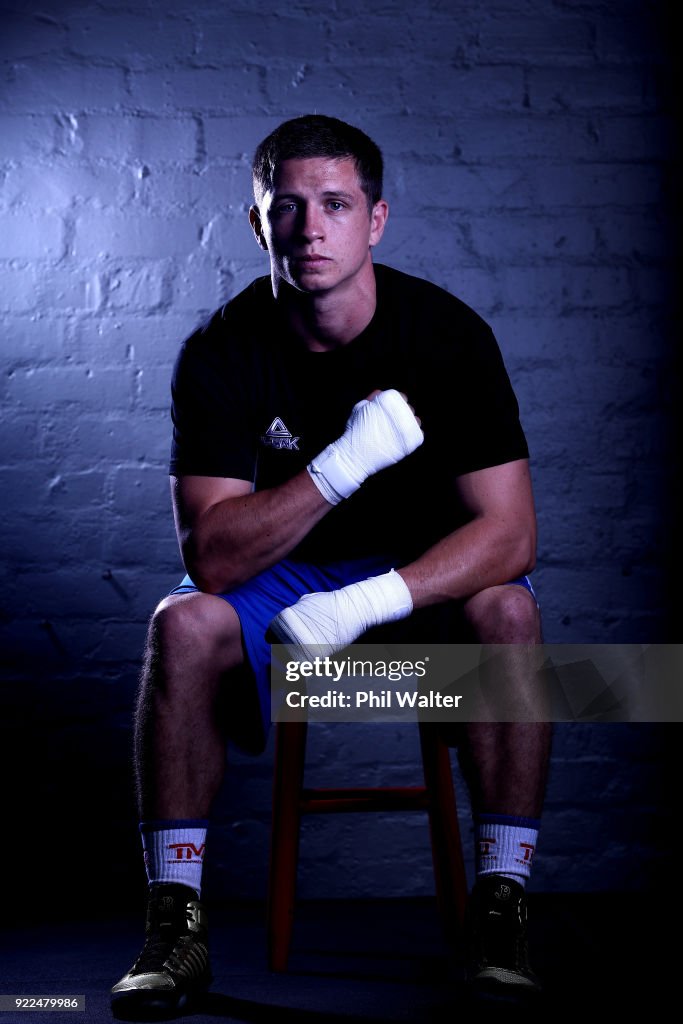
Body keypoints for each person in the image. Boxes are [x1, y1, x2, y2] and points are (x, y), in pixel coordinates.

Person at [111, 114, 552, 1017]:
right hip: (284, 584)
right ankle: (174, 923)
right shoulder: (221, 352)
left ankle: (500, 911)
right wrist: (340, 465)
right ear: (257, 222)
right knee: (180, 624)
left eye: (337, 205)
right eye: (290, 207)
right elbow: (213, 555)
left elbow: (509, 537)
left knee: (510, 612)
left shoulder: (446, 337)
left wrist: (366, 604)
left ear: (375, 221)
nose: (312, 229)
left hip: (418, 574)